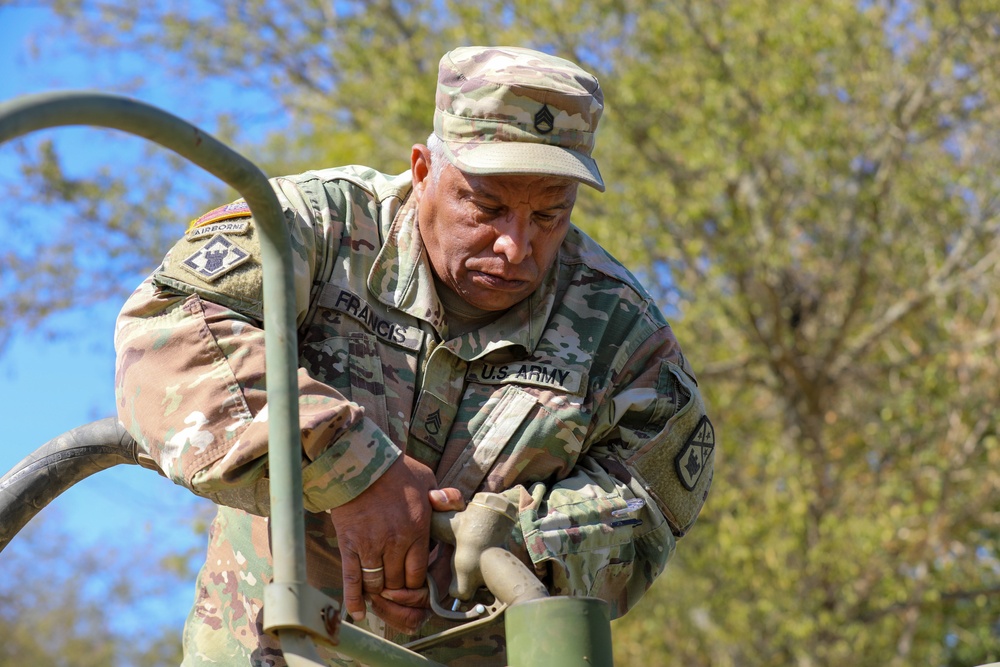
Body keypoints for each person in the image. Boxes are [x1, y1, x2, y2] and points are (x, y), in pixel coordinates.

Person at [114, 45, 715, 666]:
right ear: (423, 169)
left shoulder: (618, 330)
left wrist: (510, 539)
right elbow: (166, 334)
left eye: (549, 214)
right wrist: (351, 469)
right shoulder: (315, 230)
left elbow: (649, 499)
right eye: (486, 208)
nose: (516, 245)